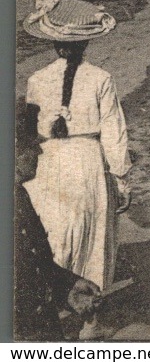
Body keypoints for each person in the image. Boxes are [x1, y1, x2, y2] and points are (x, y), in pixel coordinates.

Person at [22, 0, 131, 310]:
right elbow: (114, 131)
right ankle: (89, 313)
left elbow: (28, 131)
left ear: (55, 44)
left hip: (47, 163)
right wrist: (121, 177)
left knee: (52, 233)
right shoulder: (100, 79)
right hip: (87, 162)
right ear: (86, 43)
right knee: (92, 237)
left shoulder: (36, 79)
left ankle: (55, 302)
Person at [14, 100, 101, 340]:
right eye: (31, 146)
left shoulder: (17, 194)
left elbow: (33, 264)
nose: (39, 151)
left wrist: (67, 286)